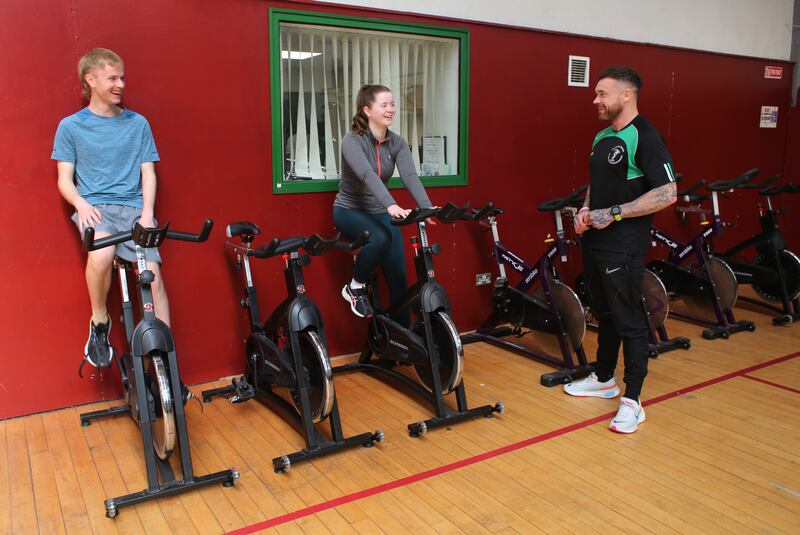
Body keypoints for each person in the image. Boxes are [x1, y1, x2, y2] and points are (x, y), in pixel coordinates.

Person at [566, 66, 677, 433]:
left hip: (623, 246)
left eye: (603, 93)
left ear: (626, 95)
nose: (595, 100)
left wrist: (614, 213)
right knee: (606, 313)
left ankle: (633, 400)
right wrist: (586, 209)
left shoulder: (645, 136)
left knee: (629, 320)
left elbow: (667, 192)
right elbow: (596, 184)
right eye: (596, 94)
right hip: (595, 242)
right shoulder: (601, 137)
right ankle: (603, 379)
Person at [53, 48, 168, 371]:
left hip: (134, 209)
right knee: (101, 255)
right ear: (90, 80)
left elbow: (149, 172)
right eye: (113, 78)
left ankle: (168, 366)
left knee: (155, 279)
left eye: (122, 77)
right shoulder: (71, 127)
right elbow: (64, 179)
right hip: (96, 209)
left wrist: (147, 213)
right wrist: (80, 203)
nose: (120, 84)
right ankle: (100, 321)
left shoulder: (138, 123)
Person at [334, 84, 434, 323]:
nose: (391, 110)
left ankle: (400, 342)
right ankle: (355, 287)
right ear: (367, 110)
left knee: (399, 277)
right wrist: (391, 204)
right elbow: (368, 175)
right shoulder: (352, 141)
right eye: (384, 105)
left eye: (392, 104)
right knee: (380, 238)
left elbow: (410, 176)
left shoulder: (396, 142)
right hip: (350, 209)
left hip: (379, 210)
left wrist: (426, 206)